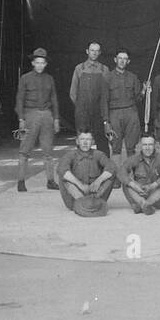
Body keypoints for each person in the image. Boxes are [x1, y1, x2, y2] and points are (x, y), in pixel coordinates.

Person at [15, 47, 59, 192]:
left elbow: (54, 99)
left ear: (46, 64)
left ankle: (50, 181)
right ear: (33, 63)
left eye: (43, 63)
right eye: (37, 62)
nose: (40, 65)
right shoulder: (25, 78)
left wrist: (56, 118)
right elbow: (20, 99)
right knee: (24, 149)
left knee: (48, 150)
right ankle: (21, 181)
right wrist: (21, 118)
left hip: (46, 115)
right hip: (30, 115)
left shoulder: (49, 79)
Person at [56, 129, 116, 216]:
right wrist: (80, 185)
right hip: (75, 195)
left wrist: (98, 181)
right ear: (77, 141)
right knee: (63, 176)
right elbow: (61, 169)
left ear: (92, 142)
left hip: (95, 193)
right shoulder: (70, 155)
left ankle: (94, 202)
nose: (85, 142)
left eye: (88, 140)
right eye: (82, 139)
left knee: (111, 175)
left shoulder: (98, 154)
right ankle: (81, 201)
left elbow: (112, 167)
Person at [70, 42, 111, 157]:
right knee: (83, 142)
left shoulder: (104, 69)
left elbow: (106, 94)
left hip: (99, 113)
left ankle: (104, 171)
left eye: (97, 50)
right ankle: (82, 170)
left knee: (102, 144)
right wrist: (80, 108)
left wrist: (104, 114)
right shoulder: (79, 68)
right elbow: (73, 93)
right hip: (82, 113)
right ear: (87, 51)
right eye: (92, 50)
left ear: (100, 53)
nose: (94, 53)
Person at [121, 133, 160, 215]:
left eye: (150, 144)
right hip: (141, 194)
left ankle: (143, 205)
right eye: (145, 145)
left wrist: (153, 185)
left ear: (155, 145)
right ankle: (144, 204)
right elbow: (121, 171)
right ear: (140, 146)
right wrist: (134, 185)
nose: (147, 148)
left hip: (158, 198)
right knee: (125, 182)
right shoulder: (134, 159)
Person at [107, 49, 143, 158]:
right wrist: (106, 121)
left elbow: (138, 99)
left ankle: (131, 174)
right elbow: (104, 101)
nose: (122, 61)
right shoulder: (107, 77)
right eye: (120, 58)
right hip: (114, 114)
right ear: (115, 60)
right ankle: (116, 174)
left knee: (131, 147)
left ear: (128, 61)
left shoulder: (133, 77)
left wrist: (144, 91)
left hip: (131, 113)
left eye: (125, 59)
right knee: (116, 147)